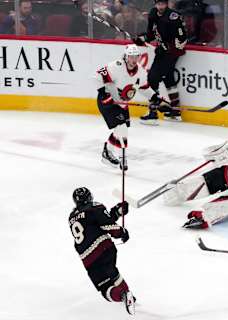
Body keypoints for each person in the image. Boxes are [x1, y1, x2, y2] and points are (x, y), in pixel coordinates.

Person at [95, 44, 166, 170]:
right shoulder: (116, 66)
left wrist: (156, 99)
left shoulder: (141, 72)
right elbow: (99, 75)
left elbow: (144, 88)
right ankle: (122, 158)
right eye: (130, 57)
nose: (133, 60)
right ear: (126, 57)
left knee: (122, 130)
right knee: (121, 128)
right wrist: (103, 93)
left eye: (135, 57)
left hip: (122, 103)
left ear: (138, 57)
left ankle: (108, 151)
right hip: (108, 100)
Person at [68, 187, 135, 315]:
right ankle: (129, 295)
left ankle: (123, 295)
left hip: (89, 258)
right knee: (112, 272)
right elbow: (105, 223)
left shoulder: (71, 217)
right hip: (106, 249)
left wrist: (117, 211)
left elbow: (96, 224)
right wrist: (121, 231)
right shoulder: (95, 208)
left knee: (105, 288)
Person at [134, 0, 187, 123]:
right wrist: (142, 38)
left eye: (163, 3)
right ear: (155, 4)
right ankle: (175, 112)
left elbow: (182, 37)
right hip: (161, 51)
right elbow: (151, 35)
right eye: (158, 4)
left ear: (166, 4)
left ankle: (153, 113)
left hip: (171, 53)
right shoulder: (153, 14)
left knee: (153, 78)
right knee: (168, 78)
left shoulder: (173, 17)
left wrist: (170, 47)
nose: (160, 6)